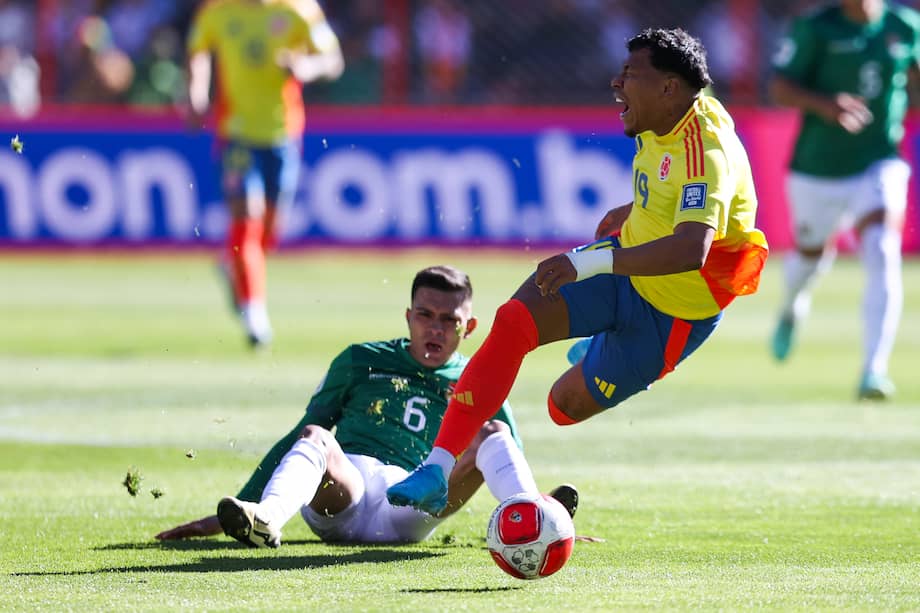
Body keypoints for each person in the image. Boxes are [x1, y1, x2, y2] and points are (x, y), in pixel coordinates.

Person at [386, 28, 769, 516]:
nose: (616, 82)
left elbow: (691, 249)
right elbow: (680, 189)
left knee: (562, 408)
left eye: (631, 75)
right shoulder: (667, 115)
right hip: (626, 264)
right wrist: (634, 211)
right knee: (513, 322)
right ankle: (437, 467)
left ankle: (602, 346)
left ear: (669, 88)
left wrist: (585, 260)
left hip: (672, 314)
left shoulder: (705, 151)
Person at [156, 265, 577, 547]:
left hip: (413, 506)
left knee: (494, 434)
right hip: (342, 495)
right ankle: (264, 518)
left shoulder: (479, 377)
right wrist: (235, 508)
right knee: (316, 437)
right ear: (408, 315)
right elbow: (301, 429)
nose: (434, 328)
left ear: (468, 327)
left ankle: (534, 521)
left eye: (448, 320)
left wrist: (540, 497)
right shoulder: (360, 358)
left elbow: (507, 452)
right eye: (425, 315)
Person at [768, 0, 917, 400]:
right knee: (810, 260)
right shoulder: (816, 28)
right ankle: (792, 305)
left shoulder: (905, 27)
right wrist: (825, 105)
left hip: (879, 161)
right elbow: (780, 87)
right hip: (817, 168)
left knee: (883, 249)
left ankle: (873, 370)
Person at [186, 0, 344, 347]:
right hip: (236, 133)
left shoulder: (299, 10)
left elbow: (333, 60)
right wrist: (197, 93)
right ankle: (253, 313)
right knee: (248, 218)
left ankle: (233, 265)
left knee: (270, 230)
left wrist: (305, 67)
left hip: (283, 134)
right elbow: (199, 51)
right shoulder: (218, 10)